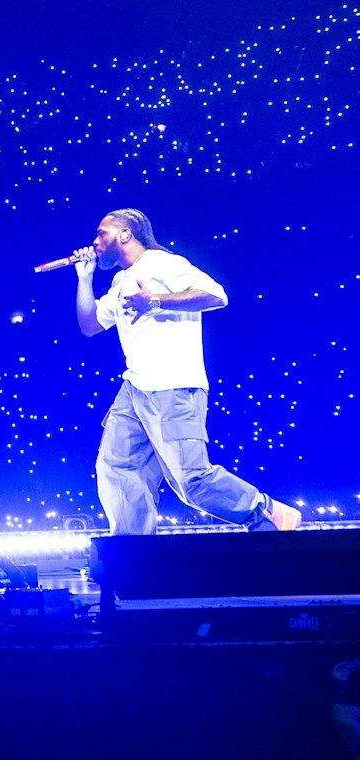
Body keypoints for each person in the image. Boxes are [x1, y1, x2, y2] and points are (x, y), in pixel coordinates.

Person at [71, 209, 301, 535]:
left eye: (101, 233)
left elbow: (215, 295)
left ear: (125, 234)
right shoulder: (122, 280)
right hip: (135, 386)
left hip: (173, 385)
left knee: (190, 479)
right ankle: (134, 550)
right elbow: (90, 325)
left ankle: (266, 509)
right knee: (118, 467)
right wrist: (85, 278)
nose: (95, 242)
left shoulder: (164, 263)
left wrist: (154, 300)